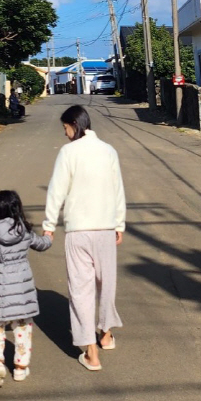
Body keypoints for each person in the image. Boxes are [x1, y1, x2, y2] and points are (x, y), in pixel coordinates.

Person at [43, 105, 125, 372]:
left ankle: (91, 353)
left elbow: (57, 190)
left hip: (78, 231)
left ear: (74, 125)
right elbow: (118, 190)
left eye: (65, 128)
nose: (65, 134)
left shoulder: (69, 152)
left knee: (81, 289)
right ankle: (106, 334)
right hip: (105, 228)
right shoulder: (109, 151)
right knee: (107, 284)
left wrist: (49, 225)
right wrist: (119, 224)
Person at [0, 190, 52, 387]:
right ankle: (20, 369)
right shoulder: (24, 232)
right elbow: (41, 244)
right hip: (23, 293)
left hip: (1, 291)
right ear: (17, 208)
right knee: (22, 329)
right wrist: (49, 237)